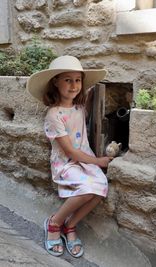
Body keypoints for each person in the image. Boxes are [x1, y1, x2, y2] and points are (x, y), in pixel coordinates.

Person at [27, 55, 112, 258]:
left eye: (78, 80)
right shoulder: (53, 115)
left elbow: (87, 95)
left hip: (84, 159)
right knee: (86, 189)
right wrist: (99, 161)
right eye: (67, 80)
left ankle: (70, 225)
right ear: (55, 82)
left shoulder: (79, 106)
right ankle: (55, 222)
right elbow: (70, 152)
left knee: (101, 188)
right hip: (66, 163)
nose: (74, 85)